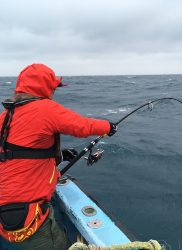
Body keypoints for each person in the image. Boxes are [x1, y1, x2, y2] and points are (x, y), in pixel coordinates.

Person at [0, 64, 117, 250]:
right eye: (53, 87)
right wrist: (108, 127)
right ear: (44, 86)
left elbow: (17, 154)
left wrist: (59, 156)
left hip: (5, 212)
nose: (54, 91)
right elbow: (81, 126)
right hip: (29, 217)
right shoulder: (44, 108)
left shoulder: (6, 116)